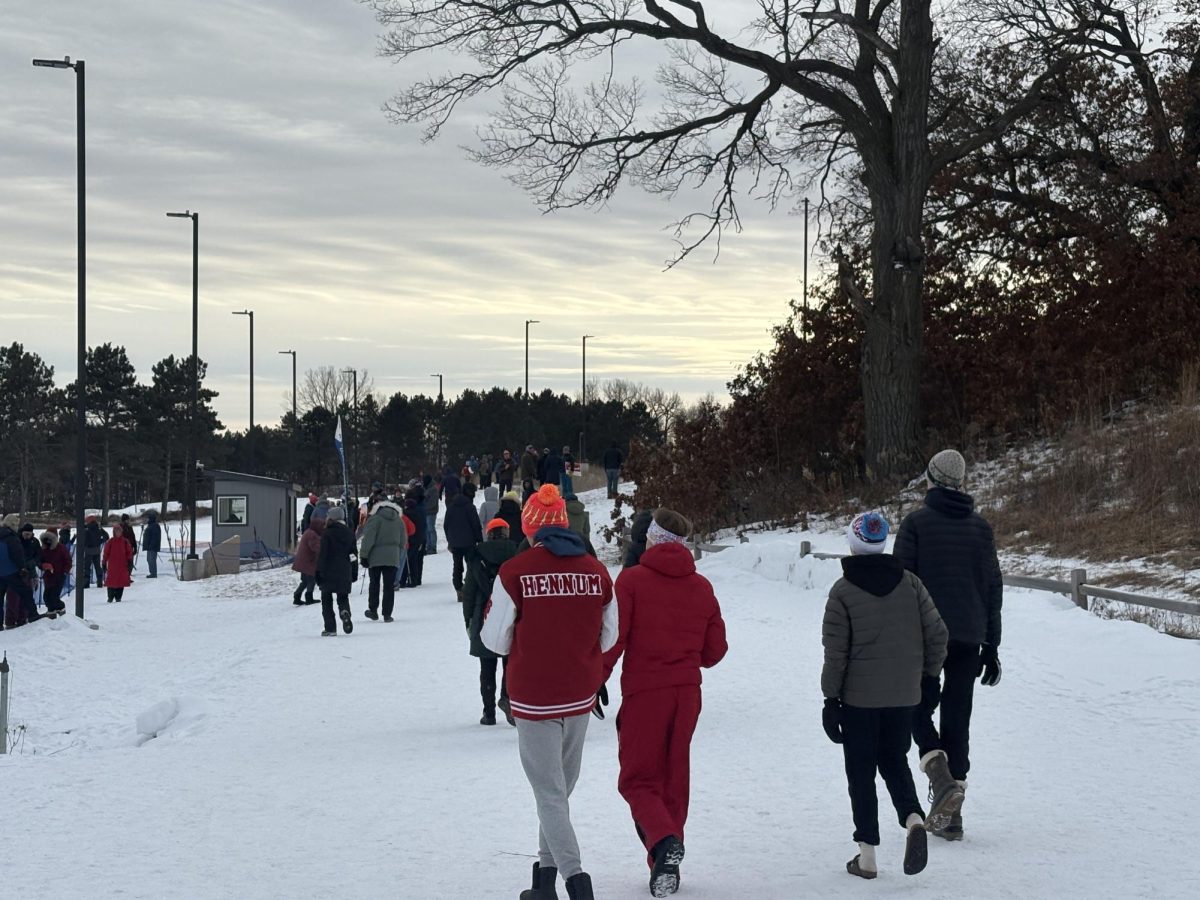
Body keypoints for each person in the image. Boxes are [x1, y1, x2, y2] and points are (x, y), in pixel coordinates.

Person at [481, 484, 617, 900]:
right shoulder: (597, 572)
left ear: (530, 528)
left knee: (549, 792)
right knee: (557, 792)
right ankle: (544, 883)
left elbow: (494, 641)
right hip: (580, 693)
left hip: (534, 698)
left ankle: (577, 884)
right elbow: (609, 637)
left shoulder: (515, 572)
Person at [602, 508, 727, 898]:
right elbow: (715, 651)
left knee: (638, 779)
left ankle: (664, 841)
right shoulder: (701, 586)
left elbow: (614, 640)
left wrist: (593, 682)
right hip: (687, 694)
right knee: (674, 779)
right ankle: (664, 866)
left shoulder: (632, 580)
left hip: (646, 693)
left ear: (652, 539)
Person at [822, 511, 949, 880]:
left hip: (859, 701)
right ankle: (912, 819)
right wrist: (928, 678)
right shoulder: (910, 584)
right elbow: (938, 634)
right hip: (904, 695)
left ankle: (867, 857)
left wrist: (831, 700)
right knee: (894, 760)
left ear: (852, 543)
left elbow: (836, 654)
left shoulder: (842, 592)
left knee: (860, 772)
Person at [894, 449, 1003, 841]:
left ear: (931, 480)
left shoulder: (916, 524)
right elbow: (993, 588)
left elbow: (901, 584)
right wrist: (991, 644)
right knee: (958, 716)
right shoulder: (980, 528)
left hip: (925, 635)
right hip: (969, 635)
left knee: (914, 707)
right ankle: (953, 815)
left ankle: (939, 774)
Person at [462, 517, 519, 725]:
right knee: (509, 663)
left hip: (483, 615)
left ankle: (488, 713)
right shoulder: (517, 553)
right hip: (509, 613)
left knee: (486, 667)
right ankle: (507, 698)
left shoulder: (477, 556)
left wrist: (468, 619)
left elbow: (469, 592)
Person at [359, 494, 407, 622]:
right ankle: (387, 614)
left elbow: (368, 538)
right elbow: (403, 541)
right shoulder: (399, 520)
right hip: (392, 557)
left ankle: (373, 610)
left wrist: (364, 555)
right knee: (389, 586)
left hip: (375, 557)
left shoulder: (375, 519)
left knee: (374, 583)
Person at [315, 506, 357, 636]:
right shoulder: (349, 533)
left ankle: (330, 628)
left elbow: (323, 555)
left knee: (326, 600)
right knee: (343, 597)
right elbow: (353, 555)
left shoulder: (327, 533)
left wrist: (318, 572)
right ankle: (345, 612)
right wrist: (354, 572)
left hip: (328, 570)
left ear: (332, 518)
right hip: (344, 570)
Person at [444, 482, 483, 600]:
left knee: (457, 566)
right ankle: (470, 587)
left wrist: (450, 540)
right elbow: (476, 525)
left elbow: (446, 525)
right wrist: (479, 540)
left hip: (455, 542)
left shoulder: (451, 506)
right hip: (469, 542)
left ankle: (459, 589)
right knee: (471, 565)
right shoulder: (470, 507)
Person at [1, 513, 39, 627]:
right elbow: (17, 555)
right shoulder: (12, 538)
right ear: (13, 525)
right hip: (11, 571)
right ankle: (33, 615)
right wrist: (22, 568)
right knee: (26, 592)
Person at [292, 516, 324, 605]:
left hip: (303, 561)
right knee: (311, 580)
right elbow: (316, 548)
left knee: (305, 581)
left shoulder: (308, 532)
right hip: (308, 562)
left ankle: (297, 596)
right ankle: (309, 598)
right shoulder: (312, 535)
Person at [561, 477, 596, 557]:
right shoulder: (584, 514)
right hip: (581, 542)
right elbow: (587, 531)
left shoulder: (563, 513)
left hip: (567, 542)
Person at [38, 529, 71, 615]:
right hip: (48, 576)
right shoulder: (43, 548)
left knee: (54, 596)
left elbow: (68, 561)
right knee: (46, 597)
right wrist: (43, 565)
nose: (48, 541)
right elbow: (39, 561)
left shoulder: (61, 548)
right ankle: (51, 611)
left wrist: (64, 572)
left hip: (59, 575)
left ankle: (61, 608)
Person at [402, 484, 427, 588]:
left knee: (410, 559)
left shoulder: (408, 513)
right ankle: (417, 579)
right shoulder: (421, 508)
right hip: (421, 536)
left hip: (412, 538)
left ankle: (410, 579)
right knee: (418, 559)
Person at [102, 522, 134, 603]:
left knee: (121, 581)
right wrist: (104, 562)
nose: (118, 533)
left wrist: (130, 561)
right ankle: (110, 597)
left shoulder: (125, 542)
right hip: (112, 565)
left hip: (122, 565)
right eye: (116, 531)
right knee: (111, 582)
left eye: (119, 531)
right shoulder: (110, 542)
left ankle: (118, 597)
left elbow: (129, 552)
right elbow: (106, 553)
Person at [82, 515, 107, 587]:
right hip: (97, 550)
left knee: (87, 567)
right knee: (97, 567)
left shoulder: (86, 530)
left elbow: (84, 541)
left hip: (88, 550)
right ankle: (99, 582)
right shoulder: (98, 529)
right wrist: (100, 541)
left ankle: (86, 584)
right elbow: (106, 537)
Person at [423, 475, 440, 555]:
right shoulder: (426, 488)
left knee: (431, 529)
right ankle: (428, 546)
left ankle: (433, 547)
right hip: (426, 512)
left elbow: (432, 503)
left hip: (431, 512)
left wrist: (424, 507)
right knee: (426, 530)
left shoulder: (433, 489)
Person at [142, 511, 162, 578]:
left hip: (152, 547)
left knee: (151, 560)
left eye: (148, 518)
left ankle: (153, 573)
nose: (147, 519)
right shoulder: (151, 525)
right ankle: (152, 572)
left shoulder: (154, 526)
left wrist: (151, 545)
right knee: (149, 559)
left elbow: (155, 537)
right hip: (149, 547)